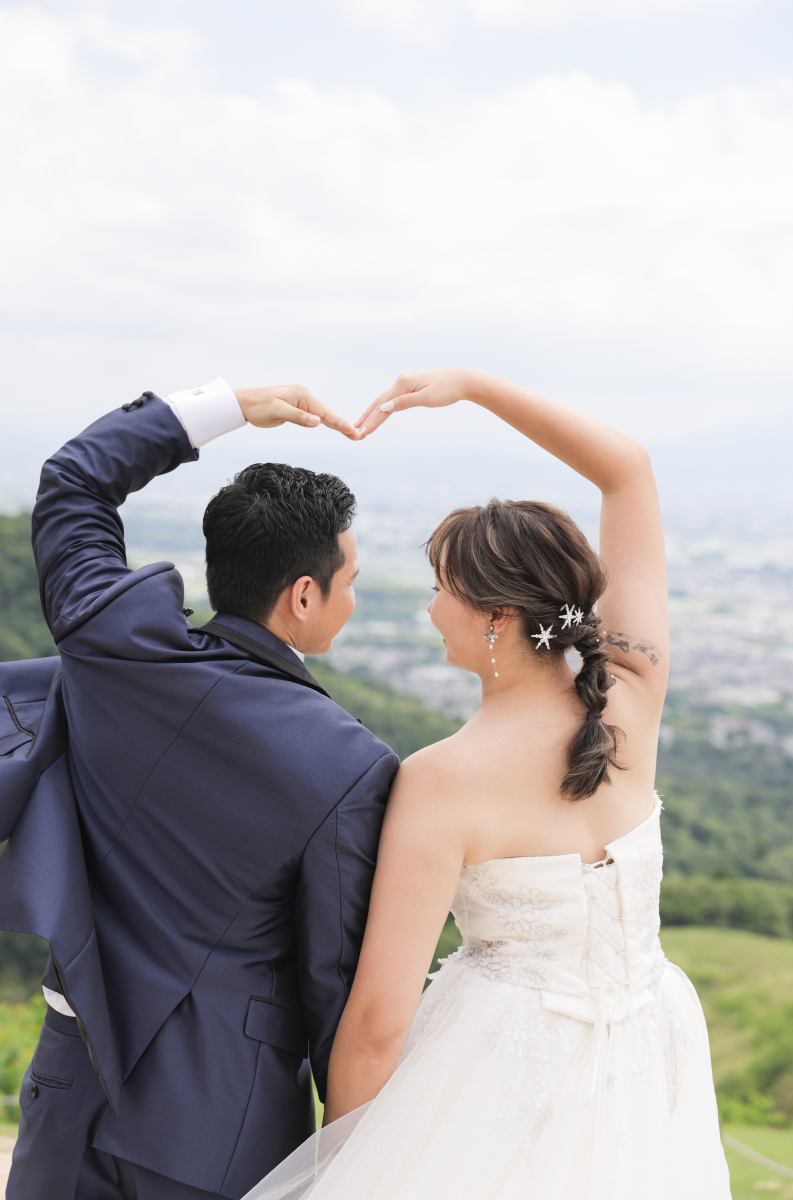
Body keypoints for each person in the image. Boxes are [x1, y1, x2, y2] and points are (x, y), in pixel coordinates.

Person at [244, 369, 731, 1200]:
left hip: (495, 1078)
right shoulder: (633, 695)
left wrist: (346, 1168)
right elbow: (628, 470)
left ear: (495, 617)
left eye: (441, 589)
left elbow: (375, 1027)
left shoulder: (439, 781)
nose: (429, 608)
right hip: (651, 1059)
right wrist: (472, 387)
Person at [0, 379, 399, 1199]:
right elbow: (334, 989)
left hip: (69, 1091)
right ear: (303, 595)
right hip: (221, 1129)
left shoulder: (114, 646)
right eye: (349, 579)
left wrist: (230, 407)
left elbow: (74, 481)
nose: (352, 598)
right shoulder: (348, 764)